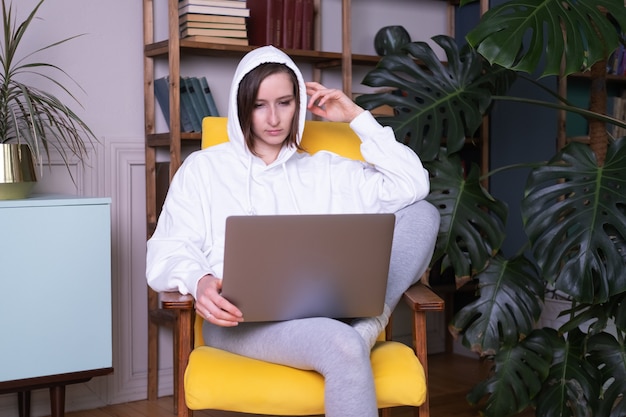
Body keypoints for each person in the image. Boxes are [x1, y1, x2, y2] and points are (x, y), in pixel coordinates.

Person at [146, 45, 439, 417]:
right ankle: (361, 331)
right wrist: (200, 279)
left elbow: (413, 186)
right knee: (342, 344)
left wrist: (356, 118)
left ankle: (368, 320)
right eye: (259, 105)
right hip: (242, 323)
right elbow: (166, 249)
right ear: (241, 107)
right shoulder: (203, 170)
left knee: (423, 214)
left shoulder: (326, 169)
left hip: (328, 311)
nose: (273, 118)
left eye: (284, 102)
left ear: (298, 104)